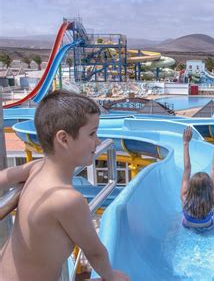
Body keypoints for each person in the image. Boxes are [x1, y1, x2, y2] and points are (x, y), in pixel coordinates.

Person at [0, 90, 129, 281]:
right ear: (64, 139)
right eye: (92, 133)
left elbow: (4, 177)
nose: (98, 141)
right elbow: (95, 252)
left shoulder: (37, 168)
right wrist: (111, 277)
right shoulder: (67, 200)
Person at [181, 126, 214, 229]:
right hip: (207, 227)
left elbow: (187, 168)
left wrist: (186, 143)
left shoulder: (184, 198)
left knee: (179, 220)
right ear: (209, 187)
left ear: (191, 187)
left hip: (187, 226)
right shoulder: (212, 199)